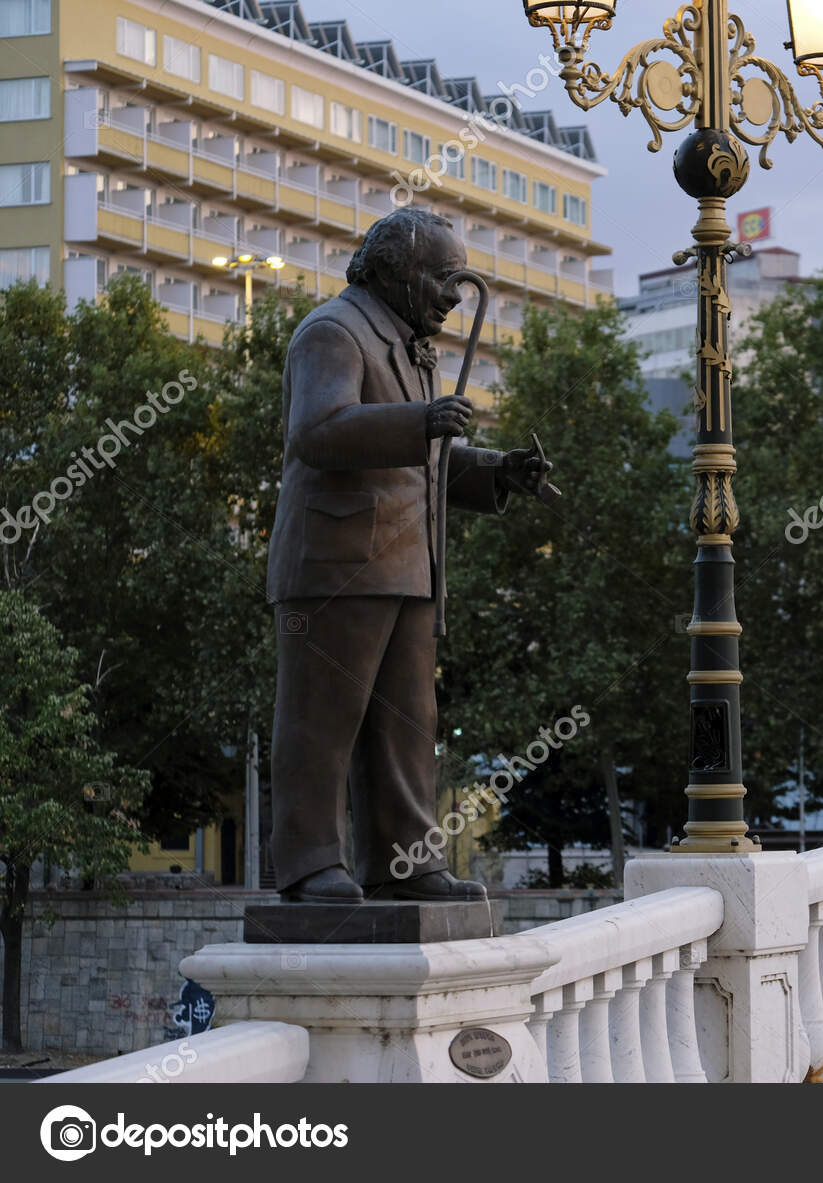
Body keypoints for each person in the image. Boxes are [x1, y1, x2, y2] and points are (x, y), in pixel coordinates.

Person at [267, 208, 553, 903]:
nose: (456, 296)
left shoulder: (406, 342)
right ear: (397, 271)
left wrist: (494, 472)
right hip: (336, 567)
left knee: (407, 723)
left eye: (460, 282)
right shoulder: (333, 332)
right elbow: (320, 431)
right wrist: (420, 421)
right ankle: (308, 864)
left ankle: (407, 861)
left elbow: (423, 463)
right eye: (444, 279)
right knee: (323, 720)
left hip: (407, 566)